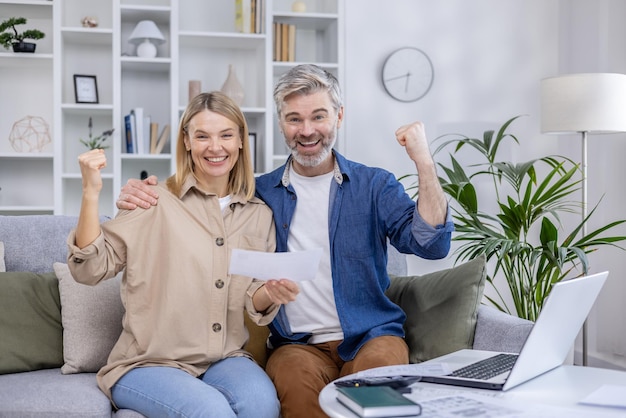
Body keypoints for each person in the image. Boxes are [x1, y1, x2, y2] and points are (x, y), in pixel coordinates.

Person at [116, 65, 453, 418]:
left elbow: (432, 245)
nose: (306, 131)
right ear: (281, 124)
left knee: (373, 396)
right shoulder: (256, 194)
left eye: (318, 117)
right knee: (294, 390)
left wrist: (423, 163)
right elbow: (197, 207)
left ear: (339, 117)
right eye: (294, 119)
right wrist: (143, 193)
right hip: (297, 346)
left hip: (372, 336)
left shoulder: (374, 185)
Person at [69, 91, 299, 418]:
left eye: (226, 135)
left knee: (262, 406)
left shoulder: (258, 213)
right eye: (202, 136)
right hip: (148, 363)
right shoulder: (152, 200)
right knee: (211, 411)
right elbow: (89, 269)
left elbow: (254, 295)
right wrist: (90, 193)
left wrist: (270, 292)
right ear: (187, 141)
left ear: (241, 142)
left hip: (225, 359)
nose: (215, 147)